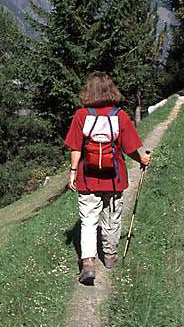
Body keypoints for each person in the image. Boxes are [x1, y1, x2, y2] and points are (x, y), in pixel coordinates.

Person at [64, 72, 150, 285]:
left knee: (88, 221)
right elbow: (130, 148)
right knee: (112, 217)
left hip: (87, 178)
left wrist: (73, 172)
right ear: (111, 90)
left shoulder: (81, 116)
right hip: (114, 178)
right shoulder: (120, 116)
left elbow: (75, 146)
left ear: (88, 92)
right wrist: (143, 158)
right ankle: (110, 257)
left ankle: (89, 264)